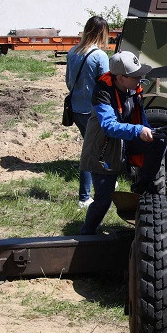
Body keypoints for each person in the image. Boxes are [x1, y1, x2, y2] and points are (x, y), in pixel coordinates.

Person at [79, 51, 166, 235]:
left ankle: (141, 186)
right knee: (104, 198)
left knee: (159, 143)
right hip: (103, 148)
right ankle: (86, 233)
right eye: (135, 76)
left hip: (123, 142)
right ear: (120, 78)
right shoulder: (102, 92)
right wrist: (138, 131)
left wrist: (150, 131)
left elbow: (140, 120)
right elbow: (109, 126)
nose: (140, 78)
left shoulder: (132, 89)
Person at [66, 16, 110, 209]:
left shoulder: (72, 52)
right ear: (102, 33)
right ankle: (84, 197)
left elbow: (68, 82)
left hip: (76, 109)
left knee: (95, 148)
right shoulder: (99, 56)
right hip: (93, 111)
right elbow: (106, 86)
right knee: (90, 152)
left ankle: (105, 182)